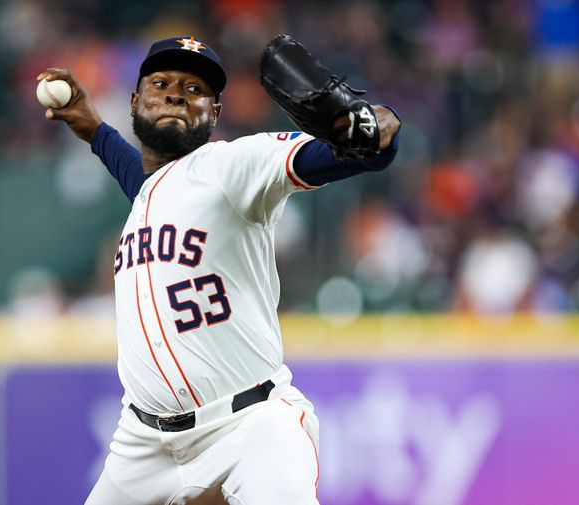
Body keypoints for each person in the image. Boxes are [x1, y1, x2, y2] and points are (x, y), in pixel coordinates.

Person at [37, 35, 401, 505]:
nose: (174, 94)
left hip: (250, 427)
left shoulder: (231, 167)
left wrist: (367, 127)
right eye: (162, 83)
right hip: (142, 446)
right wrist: (91, 127)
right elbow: (140, 176)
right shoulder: (150, 192)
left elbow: (366, 151)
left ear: (215, 113)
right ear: (135, 100)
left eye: (194, 89)